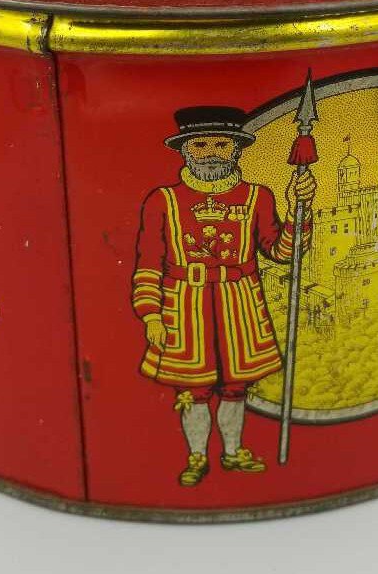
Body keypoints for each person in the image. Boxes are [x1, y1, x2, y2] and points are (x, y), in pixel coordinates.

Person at [131, 105, 316, 487]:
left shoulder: (256, 197)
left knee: (236, 388)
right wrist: (151, 314)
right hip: (184, 305)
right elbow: (149, 262)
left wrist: (299, 210)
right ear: (185, 150)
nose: (211, 153)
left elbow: (281, 252)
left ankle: (232, 452)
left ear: (236, 149)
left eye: (221, 144)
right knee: (193, 391)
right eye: (200, 145)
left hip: (239, 304)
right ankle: (197, 456)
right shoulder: (163, 201)